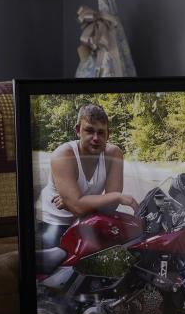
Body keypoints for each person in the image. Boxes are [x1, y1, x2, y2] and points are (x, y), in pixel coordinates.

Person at [38, 103, 139, 249]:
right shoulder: (63, 155)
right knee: (60, 265)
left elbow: (109, 206)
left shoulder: (114, 154)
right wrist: (116, 196)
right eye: (90, 131)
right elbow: (84, 206)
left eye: (101, 132)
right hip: (55, 221)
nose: (96, 138)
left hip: (88, 219)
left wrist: (74, 204)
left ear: (108, 134)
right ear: (78, 130)